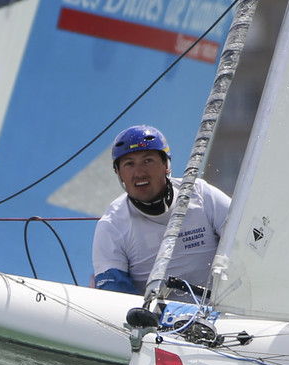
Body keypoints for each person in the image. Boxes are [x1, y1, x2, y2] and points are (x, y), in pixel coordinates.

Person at [92, 124, 230, 296]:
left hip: (222, 313)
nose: (139, 172)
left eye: (147, 161)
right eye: (129, 164)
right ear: (119, 174)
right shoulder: (111, 226)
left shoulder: (201, 194)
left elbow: (246, 241)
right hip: (155, 320)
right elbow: (113, 294)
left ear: (166, 165)